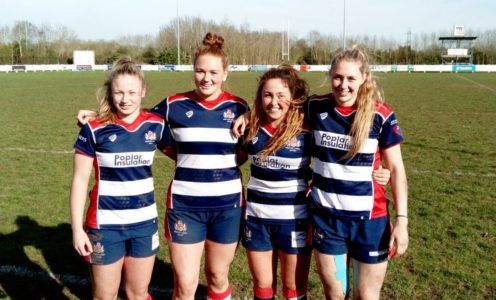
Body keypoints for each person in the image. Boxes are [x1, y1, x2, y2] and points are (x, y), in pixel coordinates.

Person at [78, 33, 249, 300]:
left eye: (214, 72)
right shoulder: (173, 105)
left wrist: (251, 114)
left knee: (217, 277)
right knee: (185, 284)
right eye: (200, 71)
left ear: (225, 73)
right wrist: (98, 115)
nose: (206, 78)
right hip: (185, 207)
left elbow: (247, 148)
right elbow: (134, 116)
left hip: (228, 207)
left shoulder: (239, 106)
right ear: (193, 70)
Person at [307, 46, 408, 299]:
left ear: (364, 78)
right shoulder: (315, 107)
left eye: (351, 78)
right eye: (338, 77)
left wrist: (402, 221)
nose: (343, 85)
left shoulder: (380, 115)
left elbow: (396, 169)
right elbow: (277, 107)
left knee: (366, 295)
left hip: (371, 223)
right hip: (327, 220)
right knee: (335, 293)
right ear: (330, 76)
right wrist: (249, 115)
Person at [70, 57, 172, 300]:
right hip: (105, 227)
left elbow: (187, 156)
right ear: (110, 92)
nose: (125, 99)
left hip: (144, 224)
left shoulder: (156, 125)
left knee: (138, 293)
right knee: (105, 295)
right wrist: (76, 229)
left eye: (132, 92)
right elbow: (79, 181)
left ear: (143, 92)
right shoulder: (94, 128)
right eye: (119, 92)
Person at [241, 65, 312, 300]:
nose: (274, 102)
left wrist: (378, 170)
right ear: (260, 97)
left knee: (293, 288)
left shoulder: (306, 130)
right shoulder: (249, 128)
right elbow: (231, 160)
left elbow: (334, 160)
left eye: (281, 95)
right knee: (262, 286)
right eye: (268, 95)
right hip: (257, 219)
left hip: (293, 221)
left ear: (293, 98)